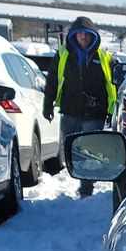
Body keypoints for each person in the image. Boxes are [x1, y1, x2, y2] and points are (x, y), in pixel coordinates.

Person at [42, 16, 117, 197]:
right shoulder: (62, 55)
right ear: (74, 35)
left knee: (89, 152)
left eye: (86, 33)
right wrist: (48, 105)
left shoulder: (105, 57)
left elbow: (114, 85)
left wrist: (111, 111)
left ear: (93, 36)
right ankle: (82, 178)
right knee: (71, 151)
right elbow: (52, 81)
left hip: (94, 113)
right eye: (80, 33)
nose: (83, 37)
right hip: (69, 111)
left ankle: (86, 186)